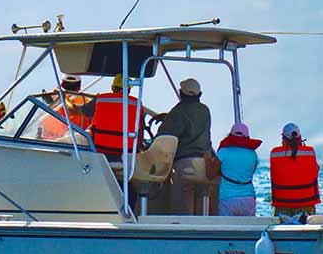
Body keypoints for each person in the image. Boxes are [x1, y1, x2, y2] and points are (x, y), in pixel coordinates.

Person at [155, 78, 213, 215]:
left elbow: (165, 135)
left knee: (181, 212)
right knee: (200, 211)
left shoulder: (178, 111)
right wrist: (168, 116)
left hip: (185, 165)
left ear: (181, 93)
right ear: (199, 95)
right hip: (204, 165)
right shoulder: (205, 110)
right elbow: (192, 121)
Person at [270, 123, 319, 219]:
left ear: (283, 139)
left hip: (282, 205)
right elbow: (315, 172)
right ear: (300, 138)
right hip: (306, 204)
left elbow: (274, 175)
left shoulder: (275, 153)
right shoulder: (310, 151)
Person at [90, 75, 145, 161]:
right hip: (126, 153)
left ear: (112, 87)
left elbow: (74, 111)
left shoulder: (100, 100)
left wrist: (65, 98)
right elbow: (141, 132)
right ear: (129, 89)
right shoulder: (136, 103)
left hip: (99, 150)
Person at [216, 123, 261, 216]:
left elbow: (212, 172)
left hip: (227, 197)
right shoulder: (253, 154)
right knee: (248, 229)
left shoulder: (224, 151)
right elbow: (251, 172)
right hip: (248, 198)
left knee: (226, 229)